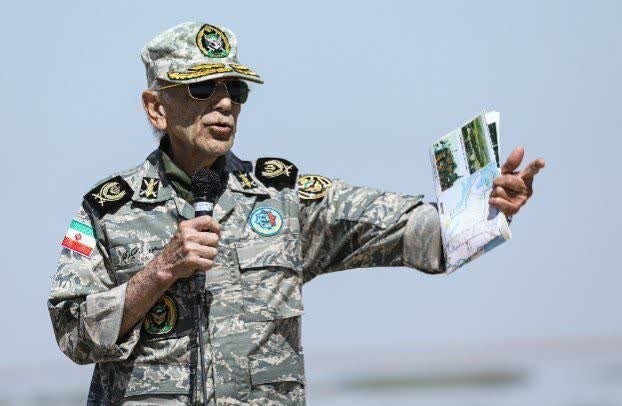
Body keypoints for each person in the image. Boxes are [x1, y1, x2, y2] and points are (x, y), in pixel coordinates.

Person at [48, 21, 545, 406]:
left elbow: (414, 232)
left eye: (236, 90)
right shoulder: (108, 210)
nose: (224, 103)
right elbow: (73, 335)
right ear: (156, 108)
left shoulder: (283, 198)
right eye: (202, 89)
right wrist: (160, 270)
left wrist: (486, 206)